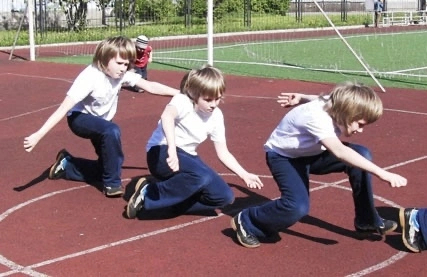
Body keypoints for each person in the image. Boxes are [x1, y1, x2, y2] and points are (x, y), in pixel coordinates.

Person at [230, 82, 407, 248]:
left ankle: (367, 221)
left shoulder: (335, 105)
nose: (360, 130)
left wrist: (301, 96)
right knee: (296, 207)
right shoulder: (315, 117)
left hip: (313, 154)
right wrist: (382, 173)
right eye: (359, 124)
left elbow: (322, 98)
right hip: (285, 158)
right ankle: (247, 221)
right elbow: (339, 151)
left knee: (362, 154)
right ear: (347, 112)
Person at [23, 36, 179, 197]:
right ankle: (112, 185)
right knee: (112, 131)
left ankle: (67, 165)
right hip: (80, 118)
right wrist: (38, 135)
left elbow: (150, 86)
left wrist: (181, 95)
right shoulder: (89, 77)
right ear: (104, 59)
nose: (123, 68)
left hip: (103, 122)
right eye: (119, 63)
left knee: (109, 165)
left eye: (126, 64)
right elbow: (63, 108)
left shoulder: (121, 74)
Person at [126, 65, 263, 219]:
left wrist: (244, 174)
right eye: (208, 99)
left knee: (224, 197)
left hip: (187, 156)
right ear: (194, 94)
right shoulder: (183, 101)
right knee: (200, 176)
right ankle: (148, 194)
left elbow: (223, 152)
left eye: (218, 98)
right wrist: (171, 148)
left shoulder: (216, 116)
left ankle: (172, 203)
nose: (214, 104)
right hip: (161, 153)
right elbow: (167, 117)